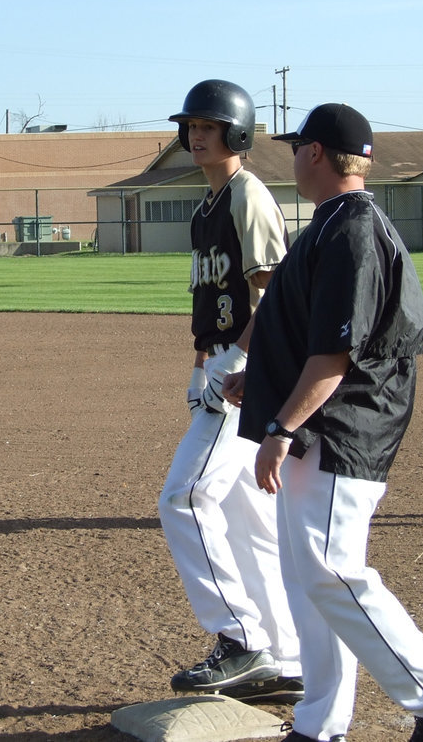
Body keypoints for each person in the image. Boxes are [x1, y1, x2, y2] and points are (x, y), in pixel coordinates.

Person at [224, 103, 423, 742]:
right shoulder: (331, 224)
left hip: (341, 426)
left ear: (315, 153)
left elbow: (337, 352)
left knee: (328, 569)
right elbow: (295, 316)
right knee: (308, 577)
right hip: (325, 423)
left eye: (296, 148)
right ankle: (320, 724)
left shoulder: (353, 231)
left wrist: (281, 428)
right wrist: (251, 374)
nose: (290, 159)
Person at [158, 79, 301, 701]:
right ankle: (286, 657)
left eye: (208, 127)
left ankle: (241, 639)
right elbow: (210, 302)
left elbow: (270, 292)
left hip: (247, 371)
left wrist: (237, 358)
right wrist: (199, 364)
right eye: (190, 126)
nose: (195, 135)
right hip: (223, 363)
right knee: (248, 519)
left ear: (236, 134)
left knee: (184, 499)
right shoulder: (205, 207)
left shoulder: (248, 196)